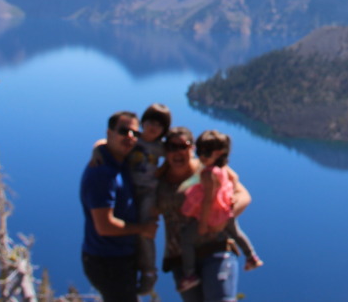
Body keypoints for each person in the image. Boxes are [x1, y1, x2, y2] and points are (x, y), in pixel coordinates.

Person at [157, 127, 253, 302]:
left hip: (215, 248)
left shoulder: (209, 168)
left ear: (192, 148)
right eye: (172, 147)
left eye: (183, 146)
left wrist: (222, 220)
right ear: (165, 150)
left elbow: (244, 195)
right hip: (181, 258)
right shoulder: (159, 179)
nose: (177, 152)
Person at [80, 111, 158, 302]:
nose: (130, 137)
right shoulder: (102, 173)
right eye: (124, 131)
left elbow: (102, 144)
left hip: (120, 257)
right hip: (107, 261)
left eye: (135, 133)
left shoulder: (119, 161)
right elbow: (104, 226)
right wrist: (143, 229)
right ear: (110, 133)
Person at [177, 130, 262, 292]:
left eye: (206, 153)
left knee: (187, 239)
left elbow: (207, 201)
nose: (201, 156)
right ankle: (252, 256)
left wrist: (203, 224)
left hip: (212, 215)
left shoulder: (208, 175)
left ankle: (189, 274)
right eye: (199, 151)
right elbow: (235, 178)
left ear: (219, 153)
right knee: (236, 232)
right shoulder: (222, 168)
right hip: (224, 210)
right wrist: (228, 195)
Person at [128, 103, 171, 295]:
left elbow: (177, 158)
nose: (154, 127)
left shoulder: (160, 148)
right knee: (125, 227)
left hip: (147, 193)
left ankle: (148, 272)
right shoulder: (131, 139)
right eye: (151, 122)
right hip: (128, 191)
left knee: (146, 230)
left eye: (159, 125)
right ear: (142, 122)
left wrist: (160, 172)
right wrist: (97, 150)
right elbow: (105, 143)